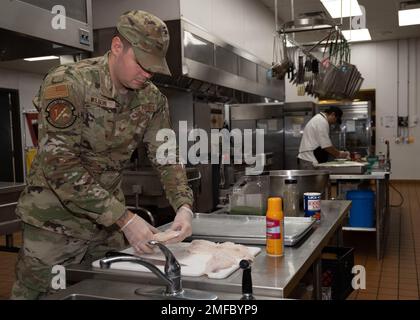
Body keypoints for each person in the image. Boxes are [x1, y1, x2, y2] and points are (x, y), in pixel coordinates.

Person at [11, 10, 194, 300]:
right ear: (117, 46)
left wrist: (183, 204)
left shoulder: (152, 99)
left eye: (153, 67)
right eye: (142, 63)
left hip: (104, 231)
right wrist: (125, 219)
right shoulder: (70, 83)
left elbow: (166, 153)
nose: (147, 73)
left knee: (105, 294)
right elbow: (59, 165)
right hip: (53, 229)